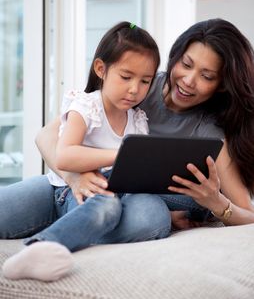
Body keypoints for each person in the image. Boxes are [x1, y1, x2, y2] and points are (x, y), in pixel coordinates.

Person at [35, 18, 254, 228]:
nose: (189, 80)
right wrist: (73, 178)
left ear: (222, 85)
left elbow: (248, 214)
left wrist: (217, 204)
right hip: (85, 189)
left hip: (135, 203)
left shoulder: (210, 133)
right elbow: (46, 136)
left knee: (148, 217)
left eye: (206, 76)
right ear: (175, 57)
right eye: (186, 64)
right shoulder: (139, 87)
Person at [1, 21, 163, 281]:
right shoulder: (87, 105)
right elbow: (65, 156)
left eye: (145, 81)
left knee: (120, 210)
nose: (135, 89)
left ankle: (42, 247)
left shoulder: (138, 119)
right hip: (58, 189)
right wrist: (124, 154)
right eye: (126, 77)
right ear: (101, 68)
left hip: (99, 198)